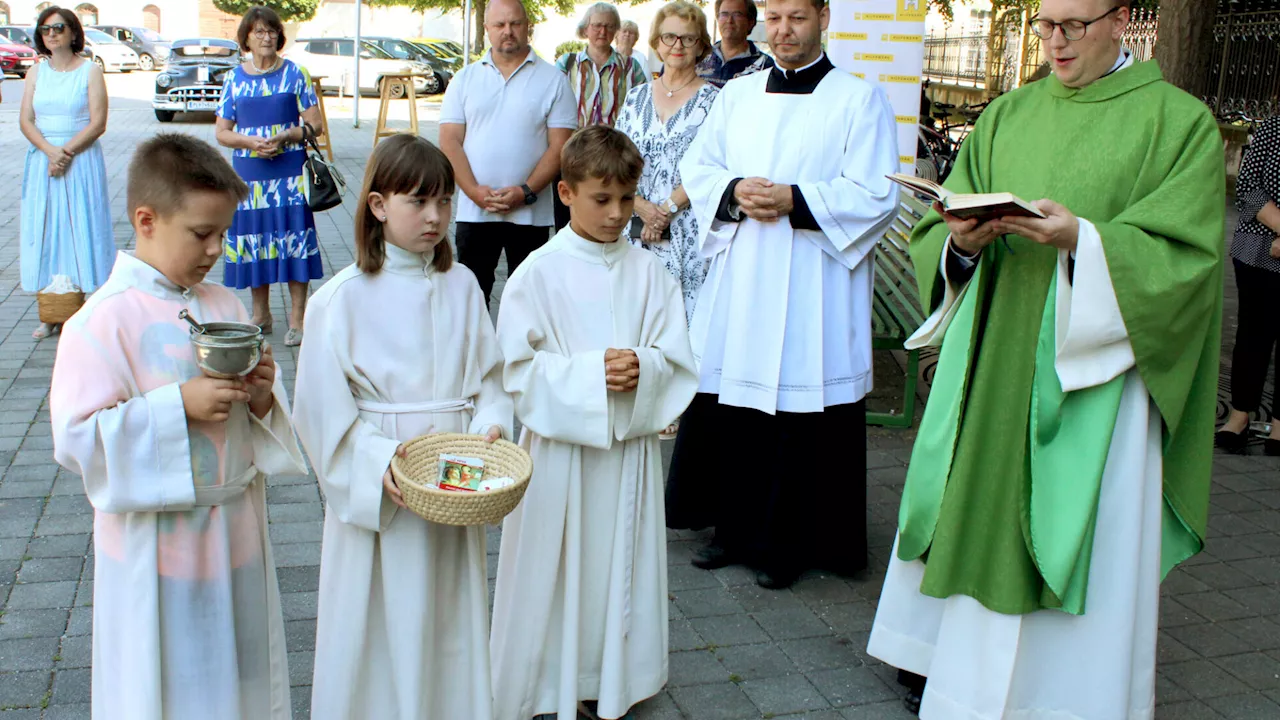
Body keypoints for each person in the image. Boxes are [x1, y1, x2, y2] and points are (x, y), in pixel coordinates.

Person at [864, 1, 1224, 718]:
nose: (1054, 43)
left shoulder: (1178, 125)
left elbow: (1186, 263)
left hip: (1097, 377)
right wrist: (960, 243)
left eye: (1074, 27)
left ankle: (1066, 697)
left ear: (1121, 20)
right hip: (994, 362)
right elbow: (942, 223)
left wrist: (1082, 243)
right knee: (977, 512)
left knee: (1074, 529)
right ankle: (957, 681)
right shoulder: (1007, 115)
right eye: (1046, 24)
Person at [49, 133, 307, 720]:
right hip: (155, 553)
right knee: (165, 689)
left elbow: (263, 420)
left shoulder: (224, 304)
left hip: (235, 533)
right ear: (146, 219)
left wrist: (264, 397)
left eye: (223, 233)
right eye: (201, 233)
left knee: (236, 687)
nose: (217, 248)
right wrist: (177, 406)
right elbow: (77, 438)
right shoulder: (101, 322)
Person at [666, 0, 899, 590]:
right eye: (774, 16)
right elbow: (701, 165)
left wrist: (797, 200)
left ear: (823, 16)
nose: (783, 29)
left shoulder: (857, 98)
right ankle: (732, 532)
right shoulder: (737, 95)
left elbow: (875, 193)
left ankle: (795, 544)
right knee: (737, 406)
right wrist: (733, 188)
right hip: (746, 274)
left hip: (812, 279)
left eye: (797, 16)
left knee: (802, 409)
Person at [293, 134, 512, 720]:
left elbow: (491, 380)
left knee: (448, 609)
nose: (436, 216)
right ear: (378, 205)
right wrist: (377, 458)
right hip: (384, 485)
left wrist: (491, 423)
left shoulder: (463, 286)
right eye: (418, 202)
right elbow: (318, 412)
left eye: (444, 201)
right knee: (380, 615)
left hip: (457, 474)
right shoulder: (339, 300)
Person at [489, 126, 699, 720]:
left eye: (627, 200)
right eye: (601, 199)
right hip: (560, 457)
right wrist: (587, 376)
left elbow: (677, 357)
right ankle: (548, 681)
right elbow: (516, 370)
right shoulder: (538, 272)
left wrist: (646, 368)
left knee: (618, 568)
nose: (616, 214)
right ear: (565, 193)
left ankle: (612, 678)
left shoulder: (650, 273)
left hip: (626, 453)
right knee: (555, 573)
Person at [439, 0, 577, 307]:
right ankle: (475, 357)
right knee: (471, 299)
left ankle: (522, 356)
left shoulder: (554, 80)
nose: (508, 31)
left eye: (515, 23)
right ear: (487, 28)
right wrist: (474, 193)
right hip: (476, 212)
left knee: (528, 301)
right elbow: (449, 142)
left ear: (528, 27)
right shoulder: (464, 79)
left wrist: (526, 191)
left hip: (530, 213)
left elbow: (561, 146)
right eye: (499, 25)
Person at [215, 5, 324, 347]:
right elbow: (222, 131)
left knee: (293, 240)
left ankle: (298, 319)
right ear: (246, 38)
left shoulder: (295, 73)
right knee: (254, 243)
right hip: (250, 175)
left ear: (280, 36)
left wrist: (287, 136)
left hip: (290, 173)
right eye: (259, 32)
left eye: (272, 31)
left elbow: (316, 125)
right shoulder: (234, 78)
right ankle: (260, 314)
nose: (266, 37)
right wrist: (251, 142)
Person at [616, 0, 718, 325]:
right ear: (657, 42)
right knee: (634, 326)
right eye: (669, 37)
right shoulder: (635, 97)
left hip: (688, 236)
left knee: (682, 330)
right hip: (634, 229)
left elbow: (715, 166)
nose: (677, 45)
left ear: (701, 45)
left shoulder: (716, 101)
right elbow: (615, 162)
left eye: (688, 38)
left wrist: (666, 211)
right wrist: (641, 207)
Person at [20, 7, 115, 340]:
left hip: (81, 159)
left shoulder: (89, 71)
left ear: (74, 33)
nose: (52, 34)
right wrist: (50, 152)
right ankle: (50, 312)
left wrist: (66, 153)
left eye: (59, 28)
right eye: (46, 29)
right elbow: (26, 121)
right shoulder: (35, 73)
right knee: (48, 230)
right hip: (44, 161)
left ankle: (86, 308)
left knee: (82, 227)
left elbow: (98, 122)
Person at [1217, 115, 1280, 455]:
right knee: (1253, 332)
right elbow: (1247, 186)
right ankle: (1239, 416)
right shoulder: (1272, 128)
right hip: (1257, 247)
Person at [556, 2, 649, 128]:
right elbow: (552, 106)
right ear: (585, 29)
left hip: (615, 145)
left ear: (615, 31)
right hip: (574, 145)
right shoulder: (567, 64)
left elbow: (644, 109)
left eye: (609, 26)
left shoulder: (631, 67)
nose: (603, 31)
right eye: (597, 25)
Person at [696, 0, 775, 88]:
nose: (729, 20)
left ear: (751, 22)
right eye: (724, 14)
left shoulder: (764, 65)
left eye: (737, 15)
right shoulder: (699, 57)